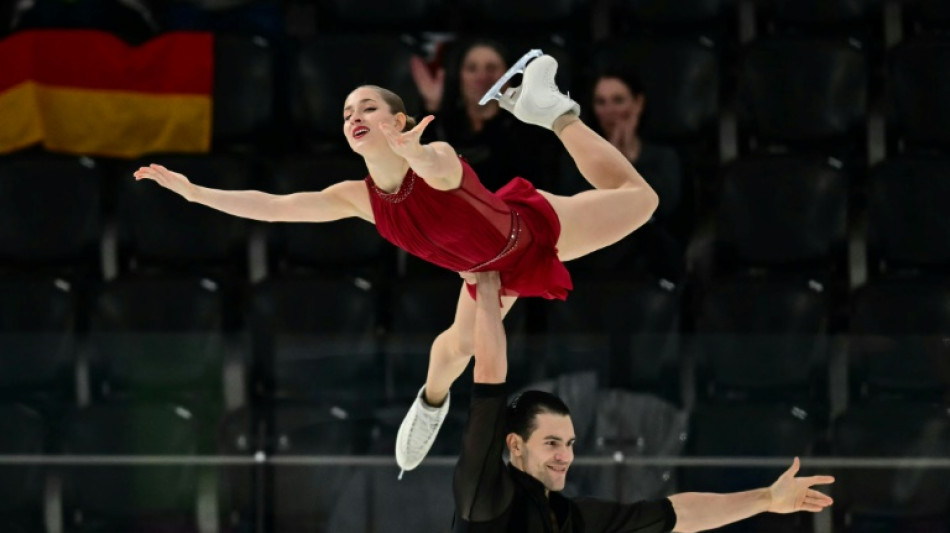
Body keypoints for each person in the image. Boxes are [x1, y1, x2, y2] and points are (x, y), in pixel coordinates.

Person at [133, 52, 659, 474]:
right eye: (346, 114)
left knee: (642, 200)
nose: (354, 117)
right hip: (486, 268)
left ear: (400, 120)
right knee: (459, 349)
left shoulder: (441, 157)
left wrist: (416, 153)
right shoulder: (356, 197)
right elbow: (273, 207)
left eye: (366, 108)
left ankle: (552, 110)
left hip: (533, 229)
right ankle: (430, 402)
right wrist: (195, 192)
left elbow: (435, 166)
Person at [456, 268, 835, 532]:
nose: (564, 455)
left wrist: (766, 498)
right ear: (515, 446)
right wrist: (489, 286)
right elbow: (489, 375)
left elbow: (679, 515)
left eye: (569, 444)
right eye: (552, 442)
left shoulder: (574, 520)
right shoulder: (484, 496)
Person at [411, 38, 559, 191]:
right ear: (459, 78)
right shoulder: (446, 125)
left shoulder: (528, 131)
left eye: (491, 68)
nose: (481, 78)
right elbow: (421, 170)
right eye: (472, 68)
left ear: (509, 77)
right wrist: (433, 108)